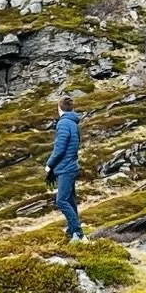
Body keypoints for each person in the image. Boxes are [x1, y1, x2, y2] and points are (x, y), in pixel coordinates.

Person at [45, 91, 83, 240]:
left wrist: (49, 165)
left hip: (65, 168)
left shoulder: (63, 123)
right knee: (70, 200)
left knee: (61, 201)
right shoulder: (73, 123)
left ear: (59, 108)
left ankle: (78, 233)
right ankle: (71, 231)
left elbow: (59, 148)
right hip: (71, 166)